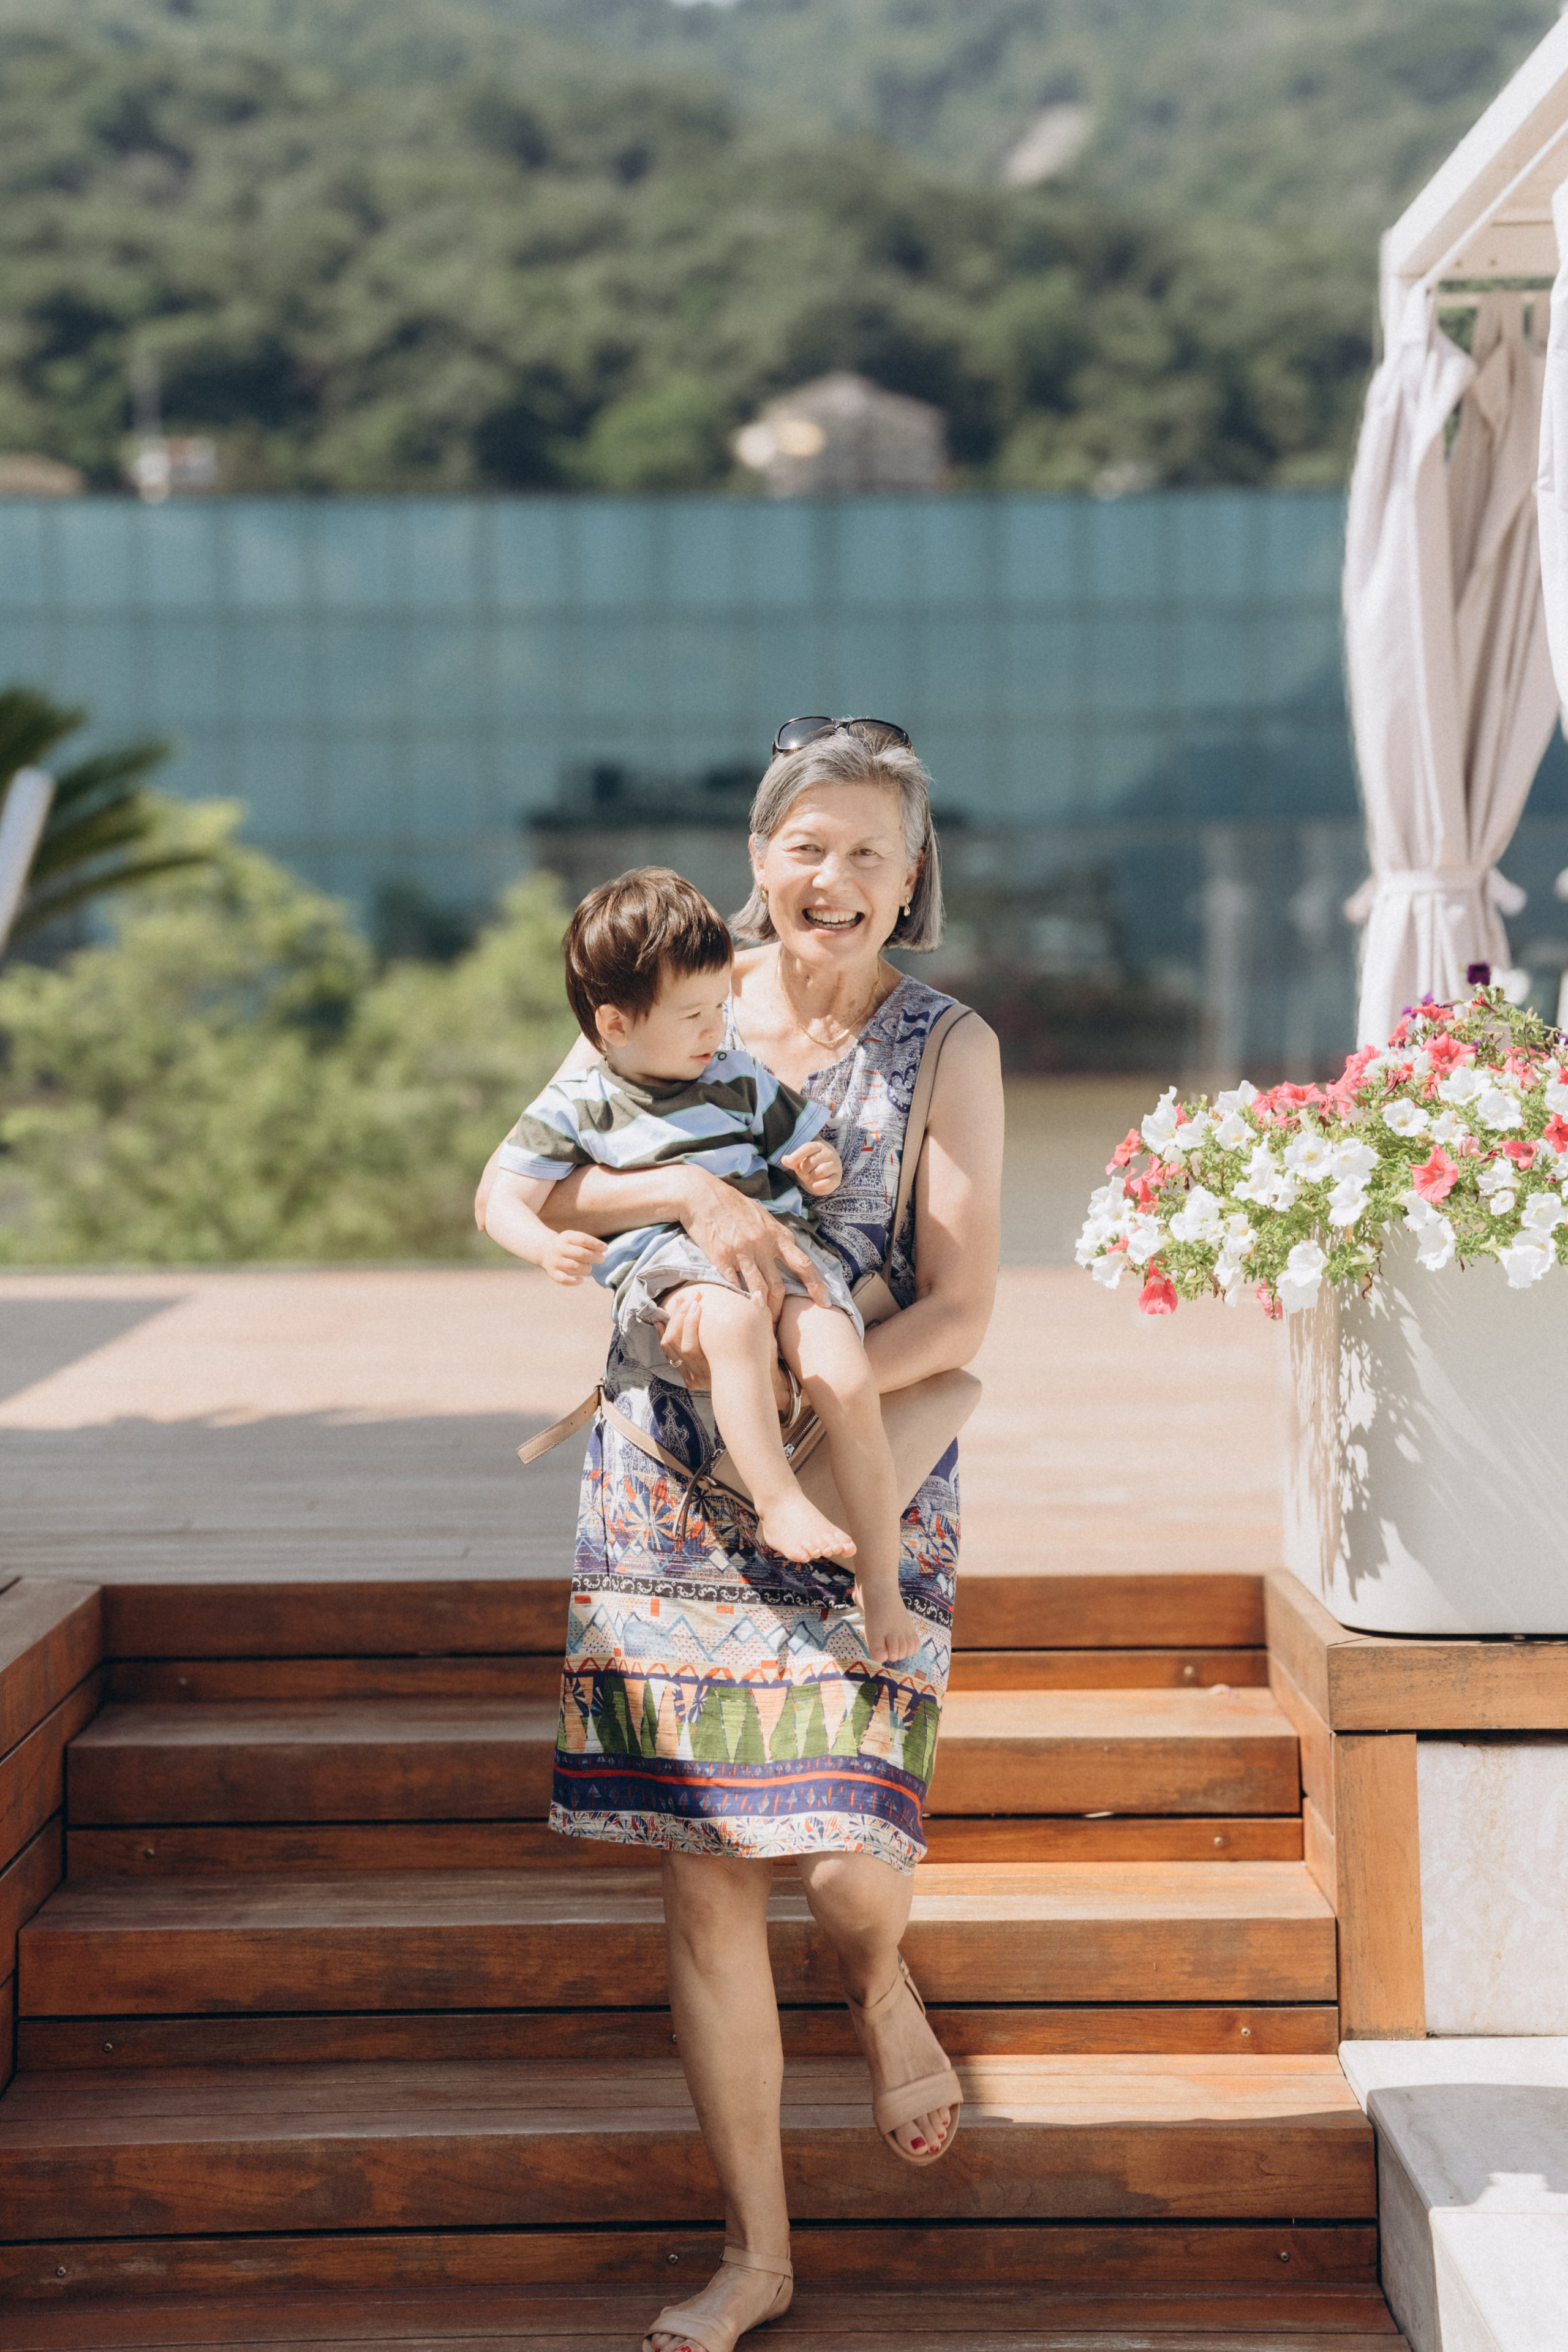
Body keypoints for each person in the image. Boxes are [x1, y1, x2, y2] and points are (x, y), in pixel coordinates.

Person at [477, 718, 1003, 2352]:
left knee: (847, 1867)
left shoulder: (943, 1046)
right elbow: (541, 1186)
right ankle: (757, 2257)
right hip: (660, 1493)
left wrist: (791, 1347)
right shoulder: (669, 1000)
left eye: (867, 850)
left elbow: (962, 1307)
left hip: (857, 1470)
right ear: (757, 859)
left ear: (912, 878)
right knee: (708, 1883)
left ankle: (874, 1976)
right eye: (805, 844)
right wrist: (688, 1206)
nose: (830, 876)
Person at [484, 866, 919, 1659]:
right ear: (613, 1024)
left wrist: (814, 1164)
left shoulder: (734, 1075)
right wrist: (547, 1246)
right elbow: (503, 1200)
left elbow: (799, 1145)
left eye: (721, 1007)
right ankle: (779, 1499)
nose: (714, 1029)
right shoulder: (581, 1104)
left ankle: (881, 1590)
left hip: (784, 1257)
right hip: (677, 1276)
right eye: (692, 1014)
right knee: (734, 1322)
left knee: (846, 1376)